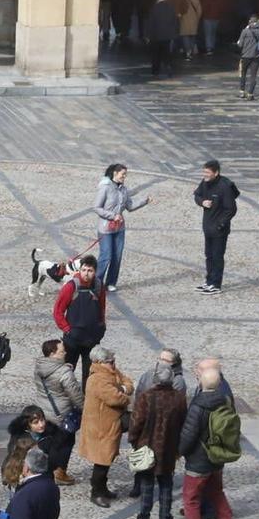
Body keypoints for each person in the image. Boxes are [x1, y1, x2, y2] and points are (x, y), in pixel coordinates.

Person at [178, 357, 240, 519]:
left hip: (198, 461)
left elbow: (188, 436)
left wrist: (179, 452)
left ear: (201, 382)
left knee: (190, 499)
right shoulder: (226, 400)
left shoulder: (198, 406)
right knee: (217, 493)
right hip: (217, 456)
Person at [126, 350, 186, 519]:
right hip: (168, 448)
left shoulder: (147, 397)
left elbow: (136, 422)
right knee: (166, 485)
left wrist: (133, 441)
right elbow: (183, 423)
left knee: (146, 485)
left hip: (146, 446)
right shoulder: (179, 398)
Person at [76, 347, 132, 506]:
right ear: (100, 362)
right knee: (101, 461)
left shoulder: (110, 372)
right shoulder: (98, 379)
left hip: (110, 424)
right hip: (100, 427)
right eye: (110, 362)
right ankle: (96, 492)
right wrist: (124, 393)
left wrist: (122, 388)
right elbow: (115, 399)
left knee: (106, 459)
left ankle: (102, 489)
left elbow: (127, 382)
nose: (114, 364)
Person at [92, 163, 147, 291]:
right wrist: (112, 215)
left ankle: (111, 282)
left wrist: (144, 201)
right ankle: (97, 282)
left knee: (117, 255)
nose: (124, 177)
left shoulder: (124, 189)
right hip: (105, 228)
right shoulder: (105, 188)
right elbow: (96, 207)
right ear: (115, 173)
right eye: (123, 174)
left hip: (119, 228)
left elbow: (130, 206)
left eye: (125, 175)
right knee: (106, 255)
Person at [52, 255, 107, 381]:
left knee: (90, 376)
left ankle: (87, 400)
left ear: (95, 272)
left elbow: (102, 309)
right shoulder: (71, 287)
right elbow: (58, 311)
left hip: (92, 339)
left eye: (90, 271)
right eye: (84, 270)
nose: (86, 274)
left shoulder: (99, 286)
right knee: (67, 374)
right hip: (73, 340)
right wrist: (67, 330)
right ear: (79, 270)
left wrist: (101, 327)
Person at [193, 160, 240, 295]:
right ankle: (209, 281)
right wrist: (202, 202)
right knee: (208, 255)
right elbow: (197, 195)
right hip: (207, 227)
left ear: (216, 173)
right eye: (204, 172)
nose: (205, 175)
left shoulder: (224, 186)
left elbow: (231, 209)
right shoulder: (205, 182)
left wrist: (221, 224)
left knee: (217, 256)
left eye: (208, 172)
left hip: (219, 230)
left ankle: (216, 284)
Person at [235, 13, 259, 100]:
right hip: (256, 56)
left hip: (245, 56)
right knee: (253, 75)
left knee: (243, 74)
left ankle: (242, 91)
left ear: (250, 22)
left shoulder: (245, 31)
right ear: (258, 21)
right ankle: (250, 93)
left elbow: (240, 44)